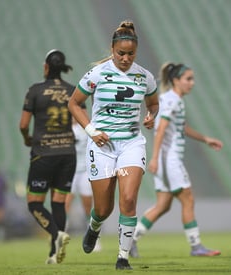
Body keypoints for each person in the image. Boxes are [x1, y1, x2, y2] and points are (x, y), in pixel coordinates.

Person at [68, 20, 159, 270]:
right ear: (111, 49)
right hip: (102, 146)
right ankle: (94, 226)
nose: (126, 58)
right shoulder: (97, 74)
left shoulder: (144, 76)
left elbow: (153, 103)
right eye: (121, 53)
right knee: (103, 208)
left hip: (131, 143)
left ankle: (122, 257)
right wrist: (91, 130)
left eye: (131, 54)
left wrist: (151, 115)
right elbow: (74, 103)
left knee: (128, 199)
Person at [130, 62, 223, 258]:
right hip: (169, 160)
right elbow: (161, 128)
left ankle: (131, 239)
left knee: (163, 205)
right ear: (175, 81)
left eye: (192, 79)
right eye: (188, 79)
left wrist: (206, 139)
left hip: (165, 161)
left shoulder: (170, 100)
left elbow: (181, 128)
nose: (192, 83)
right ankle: (196, 245)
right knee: (188, 199)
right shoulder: (172, 100)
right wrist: (155, 158)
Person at [19, 49, 76, 264]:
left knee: (34, 203)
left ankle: (56, 234)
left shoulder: (35, 91)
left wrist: (27, 138)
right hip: (68, 153)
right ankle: (54, 254)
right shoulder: (72, 91)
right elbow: (82, 119)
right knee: (59, 203)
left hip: (43, 154)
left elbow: (24, 125)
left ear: (46, 67)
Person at [64, 117, 102, 252]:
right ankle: (60, 238)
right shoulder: (64, 129)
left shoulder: (87, 129)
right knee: (65, 205)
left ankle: (94, 238)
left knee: (87, 207)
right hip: (70, 172)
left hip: (85, 172)